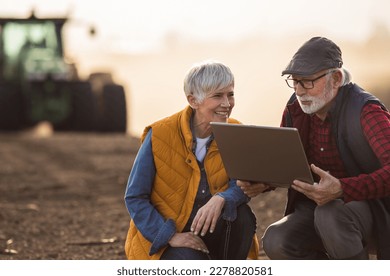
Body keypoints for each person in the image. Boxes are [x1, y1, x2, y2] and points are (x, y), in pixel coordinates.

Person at [239, 36, 390, 259]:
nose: (299, 91)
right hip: (317, 209)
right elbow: (285, 162)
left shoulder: (366, 111)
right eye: (295, 81)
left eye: (307, 81)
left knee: (329, 213)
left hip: (373, 212)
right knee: (276, 239)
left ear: (336, 78)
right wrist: (262, 183)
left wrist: (342, 188)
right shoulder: (295, 108)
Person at [124, 60, 259, 260]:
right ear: (193, 101)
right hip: (169, 240)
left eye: (230, 94)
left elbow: (241, 185)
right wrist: (170, 236)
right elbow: (135, 197)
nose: (227, 103)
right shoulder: (160, 135)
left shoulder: (236, 131)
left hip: (214, 232)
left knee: (242, 216)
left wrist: (222, 198)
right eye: (217, 96)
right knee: (190, 261)